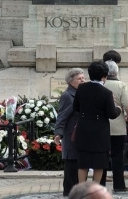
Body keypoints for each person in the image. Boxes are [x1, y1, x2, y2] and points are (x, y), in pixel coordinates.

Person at [72, 61, 122, 184]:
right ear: (104, 76)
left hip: (84, 128)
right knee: (99, 163)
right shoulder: (106, 93)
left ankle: (81, 189)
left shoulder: (82, 88)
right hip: (100, 130)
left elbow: (76, 107)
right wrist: (118, 108)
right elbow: (112, 114)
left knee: (83, 163)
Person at [54, 67, 86, 196]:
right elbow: (62, 116)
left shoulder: (81, 93)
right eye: (79, 79)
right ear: (71, 81)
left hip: (80, 135)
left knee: (79, 165)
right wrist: (58, 133)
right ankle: (68, 192)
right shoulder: (68, 95)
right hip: (71, 136)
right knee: (71, 166)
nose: (83, 80)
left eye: (83, 78)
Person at [104, 60, 128, 193]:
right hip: (118, 126)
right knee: (117, 156)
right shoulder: (121, 85)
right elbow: (127, 104)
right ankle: (119, 185)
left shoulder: (102, 84)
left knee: (102, 155)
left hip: (102, 126)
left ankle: (100, 184)